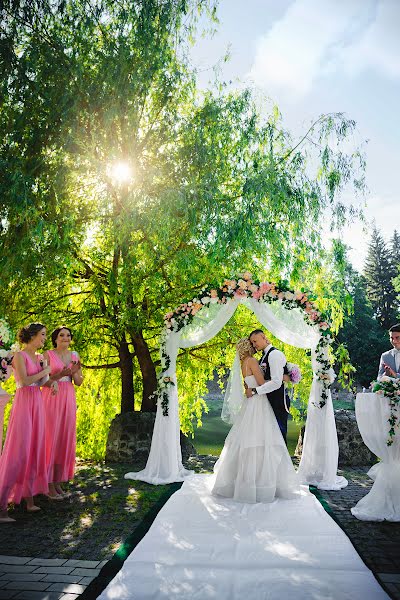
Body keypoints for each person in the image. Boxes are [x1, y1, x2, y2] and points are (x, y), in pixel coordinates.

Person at [211, 337, 300, 504]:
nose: (254, 346)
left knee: (248, 437)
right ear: (248, 347)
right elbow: (261, 382)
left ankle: (244, 482)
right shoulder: (252, 361)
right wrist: (282, 378)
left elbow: (249, 385)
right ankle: (261, 482)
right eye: (251, 344)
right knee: (262, 437)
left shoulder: (244, 362)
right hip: (259, 403)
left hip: (250, 402)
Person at [0, 323, 51, 523]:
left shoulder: (38, 358)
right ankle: (2, 508)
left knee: (33, 448)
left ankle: (29, 501)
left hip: (37, 403)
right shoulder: (19, 356)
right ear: (32, 336)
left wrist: (51, 380)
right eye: (43, 335)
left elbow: (40, 382)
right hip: (23, 404)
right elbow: (25, 380)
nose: (44, 339)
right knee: (18, 452)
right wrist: (45, 369)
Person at [42, 326, 83, 499]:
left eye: (68, 335)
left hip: (68, 396)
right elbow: (43, 380)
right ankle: (48, 485)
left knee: (64, 438)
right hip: (52, 395)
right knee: (51, 438)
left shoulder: (75, 355)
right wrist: (61, 374)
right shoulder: (47, 355)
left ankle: (58, 483)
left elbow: (79, 381)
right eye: (61, 335)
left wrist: (73, 373)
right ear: (55, 338)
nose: (65, 338)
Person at [247, 329, 290, 444]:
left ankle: (282, 462)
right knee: (269, 435)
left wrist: (255, 391)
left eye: (255, 341)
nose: (254, 345)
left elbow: (276, 382)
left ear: (263, 337)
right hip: (268, 400)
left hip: (278, 400)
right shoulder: (264, 356)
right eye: (252, 343)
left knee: (278, 435)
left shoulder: (274, 354)